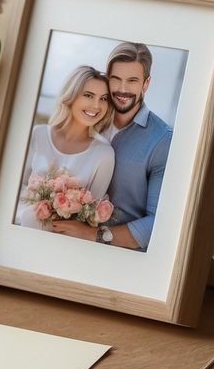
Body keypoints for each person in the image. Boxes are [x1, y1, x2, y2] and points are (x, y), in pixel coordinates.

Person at [53, 42, 173, 251]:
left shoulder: (162, 139)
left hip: (119, 254)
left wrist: (92, 235)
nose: (122, 89)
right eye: (115, 79)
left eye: (132, 81)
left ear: (146, 83)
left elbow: (160, 224)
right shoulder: (90, 118)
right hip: (63, 239)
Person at [15, 65, 115, 229]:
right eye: (88, 95)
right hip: (19, 225)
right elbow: (16, 188)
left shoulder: (104, 154)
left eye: (103, 98)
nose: (97, 106)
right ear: (71, 96)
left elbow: (90, 217)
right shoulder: (38, 134)